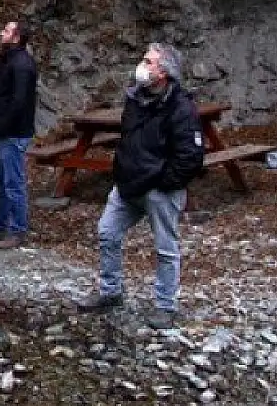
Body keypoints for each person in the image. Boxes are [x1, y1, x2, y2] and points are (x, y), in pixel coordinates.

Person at [77, 42, 205, 328]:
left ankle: (166, 305)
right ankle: (111, 292)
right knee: (107, 233)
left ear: (164, 72)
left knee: (165, 248)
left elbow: (191, 155)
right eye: (144, 60)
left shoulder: (182, 108)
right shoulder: (134, 99)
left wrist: (165, 182)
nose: (142, 66)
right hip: (127, 184)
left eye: (149, 62)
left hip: (159, 189)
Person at [0, 19, 38, 249]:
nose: (1, 33)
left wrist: (4, 124)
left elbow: (19, 101)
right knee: (2, 181)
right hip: (6, 130)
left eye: (6, 31)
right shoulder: (10, 59)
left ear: (16, 37)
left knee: (13, 182)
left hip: (14, 132)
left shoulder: (22, 65)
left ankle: (17, 230)